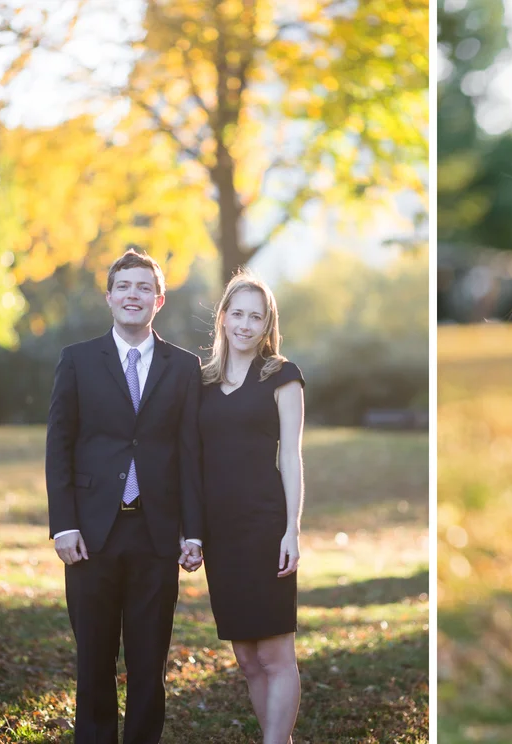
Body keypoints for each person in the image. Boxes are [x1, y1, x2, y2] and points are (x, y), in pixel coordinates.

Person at [46, 249, 204, 744]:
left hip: (156, 534)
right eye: (124, 286)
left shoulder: (184, 367)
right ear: (109, 297)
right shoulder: (77, 360)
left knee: (148, 658)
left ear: (159, 299)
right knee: (93, 656)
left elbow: (190, 454)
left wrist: (193, 531)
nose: (133, 295)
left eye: (143, 288)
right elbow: (60, 445)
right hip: (91, 533)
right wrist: (63, 523)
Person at [198, 270, 305, 744]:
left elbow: (292, 457)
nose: (244, 324)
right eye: (237, 314)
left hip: (266, 526)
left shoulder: (282, 374)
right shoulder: (199, 382)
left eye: (255, 317)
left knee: (277, 655)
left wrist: (292, 531)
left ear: (267, 325)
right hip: (220, 532)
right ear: (222, 318)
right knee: (246, 659)